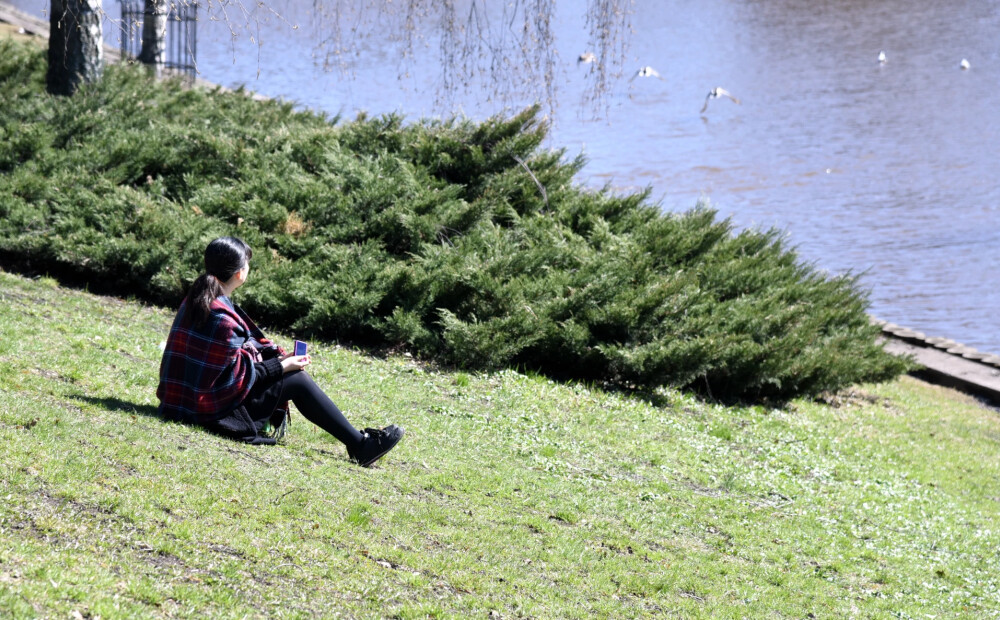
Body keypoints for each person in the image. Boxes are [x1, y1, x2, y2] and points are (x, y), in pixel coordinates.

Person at [156, 236, 403, 467]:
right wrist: (282, 366)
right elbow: (233, 378)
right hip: (208, 410)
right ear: (240, 273)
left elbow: (226, 366)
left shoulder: (196, 299)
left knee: (290, 373)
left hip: (178, 402)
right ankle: (360, 445)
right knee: (298, 379)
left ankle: (358, 443)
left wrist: (276, 361)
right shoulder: (223, 318)